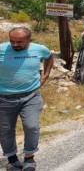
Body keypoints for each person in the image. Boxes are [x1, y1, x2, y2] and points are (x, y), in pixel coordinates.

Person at [0, 27, 54, 171]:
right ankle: (12, 159)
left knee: (32, 127)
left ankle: (29, 158)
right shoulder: (1, 49)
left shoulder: (39, 49)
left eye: (20, 42)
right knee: (5, 129)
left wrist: (46, 75)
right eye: (12, 41)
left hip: (31, 96)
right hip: (4, 98)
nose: (15, 45)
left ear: (30, 40)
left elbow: (49, 57)